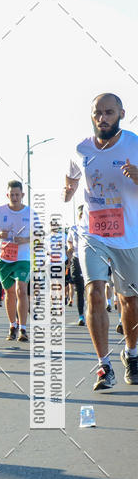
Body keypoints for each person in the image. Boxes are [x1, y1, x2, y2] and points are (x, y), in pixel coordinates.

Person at [64, 93, 138, 389]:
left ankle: (132, 354)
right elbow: (71, 174)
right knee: (94, 291)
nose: (102, 118)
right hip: (92, 232)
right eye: (97, 113)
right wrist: (69, 189)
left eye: (108, 112)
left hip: (129, 235)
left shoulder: (134, 144)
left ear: (121, 114)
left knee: (130, 300)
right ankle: (104, 366)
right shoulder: (81, 148)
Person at [0, 181, 35, 342]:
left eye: (17, 194)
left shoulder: (30, 212)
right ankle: (13, 325)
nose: (15, 197)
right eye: (12, 195)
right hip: (4, 258)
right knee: (10, 293)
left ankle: (23, 329)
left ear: (22, 195)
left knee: (21, 290)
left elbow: (40, 234)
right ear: (7, 195)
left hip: (22, 257)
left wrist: (25, 239)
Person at [66, 206, 85, 326]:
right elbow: (69, 241)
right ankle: (81, 316)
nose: (82, 216)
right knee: (79, 289)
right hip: (77, 259)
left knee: (93, 289)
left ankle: (93, 312)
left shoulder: (93, 227)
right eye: (80, 214)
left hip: (90, 259)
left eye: (84, 214)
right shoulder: (73, 228)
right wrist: (70, 247)